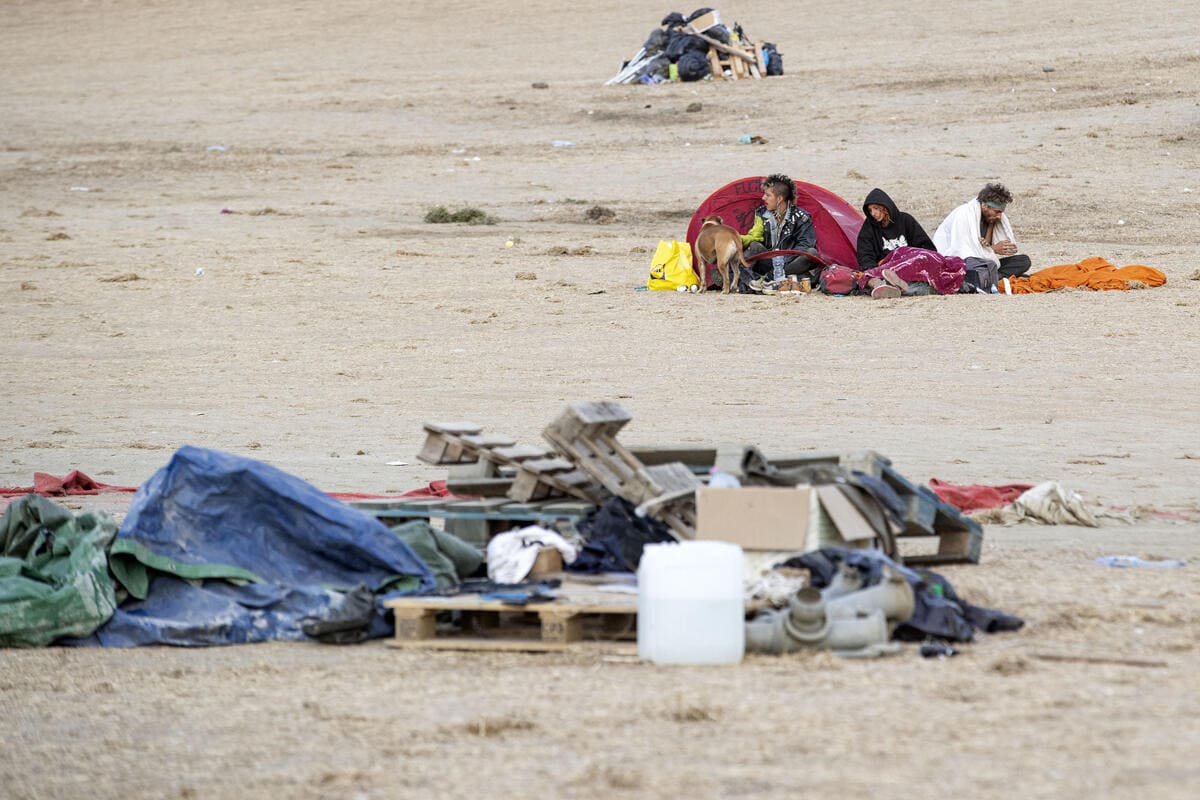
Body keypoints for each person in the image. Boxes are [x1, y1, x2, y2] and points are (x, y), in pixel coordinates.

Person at [933, 183, 1032, 292]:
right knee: (980, 266)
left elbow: (985, 250)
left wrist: (991, 224)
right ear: (985, 206)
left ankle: (989, 278)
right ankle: (989, 278)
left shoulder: (989, 218)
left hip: (982, 264)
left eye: (1001, 212)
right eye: (997, 212)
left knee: (1024, 261)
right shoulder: (964, 215)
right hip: (955, 263)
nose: (999, 216)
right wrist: (994, 249)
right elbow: (963, 252)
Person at [740, 174, 821, 288]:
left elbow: (805, 244)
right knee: (754, 246)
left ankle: (768, 279)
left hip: (791, 262)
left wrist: (781, 260)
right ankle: (747, 279)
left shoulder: (801, 217)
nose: (763, 198)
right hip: (768, 262)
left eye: (768, 195)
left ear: (779, 199)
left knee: (811, 253)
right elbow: (755, 235)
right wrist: (738, 239)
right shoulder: (762, 213)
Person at [856, 188, 938, 298]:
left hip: (909, 265)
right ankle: (881, 286)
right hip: (885, 269)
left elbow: (926, 246)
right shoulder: (869, 227)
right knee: (867, 276)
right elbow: (865, 255)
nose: (873, 213)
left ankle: (898, 287)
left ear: (884, 207)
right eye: (870, 210)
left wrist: (913, 259)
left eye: (876, 208)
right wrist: (875, 271)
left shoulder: (905, 220)